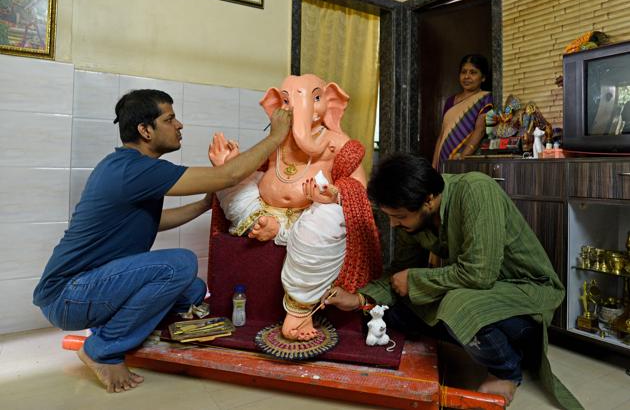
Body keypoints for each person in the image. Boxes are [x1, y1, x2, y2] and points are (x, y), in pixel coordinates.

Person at [32, 89, 291, 393]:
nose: (179, 125)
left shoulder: (123, 167)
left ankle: (112, 324)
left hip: (84, 289)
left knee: (193, 289)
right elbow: (229, 175)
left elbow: (155, 221)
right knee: (180, 264)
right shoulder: (135, 170)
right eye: (169, 119)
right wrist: (276, 137)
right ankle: (102, 348)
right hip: (67, 295)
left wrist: (204, 205)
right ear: (145, 130)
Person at [322, 154, 582, 409]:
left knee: (457, 303)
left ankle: (506, 370)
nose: (393, 224)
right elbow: (399, 274)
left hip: (524, 292)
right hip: (476, 291)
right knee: (386, 310)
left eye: (399, 216)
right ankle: (472, 336)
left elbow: (479, 274)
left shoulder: (476, 190)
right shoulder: (411, 221)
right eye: (390, 216)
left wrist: (415, 280)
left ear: (429, 200)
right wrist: (358, 299)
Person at [432, 54, 493, 170]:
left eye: (473, 72)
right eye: (463, 72)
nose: (467, 76)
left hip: (465, 158)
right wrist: (434, 164)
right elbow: (442, 135)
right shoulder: (450, 101)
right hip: (443, 156)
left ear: (483, 77)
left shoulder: (485, 98)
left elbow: (480, 130)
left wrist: (463, 156)